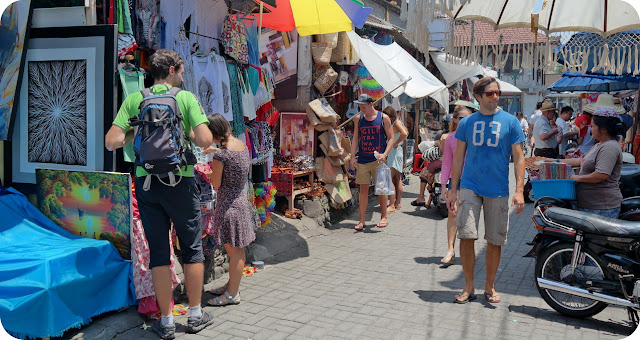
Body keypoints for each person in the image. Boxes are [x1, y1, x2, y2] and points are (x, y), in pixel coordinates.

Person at [105, 49, 214, 339]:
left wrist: (135, 132)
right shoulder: (185, 98)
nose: (181, 75)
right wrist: (188, 131)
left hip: (147, 183)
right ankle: (195, 315)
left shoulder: (135, 99)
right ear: (173, 70)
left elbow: (111, 142)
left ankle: (165, 321)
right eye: (180, 71)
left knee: (158, 253)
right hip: (181, 182)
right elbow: (205, 139)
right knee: (191, 249)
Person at [446, 76, 525, 304]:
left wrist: (519, 190)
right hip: (470, 186)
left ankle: (489, 285)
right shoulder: (467, 123)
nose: (495, 97)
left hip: (499, 189)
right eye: (490, 93)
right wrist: (453, 189)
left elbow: (519, 158)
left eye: (497, 92)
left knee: (495, 240)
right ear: (478, 97)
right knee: (466, 235)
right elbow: (458, 158)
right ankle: (468, 285)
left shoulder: (511, 122)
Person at [204, 114, 256, 306]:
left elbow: (216, 183)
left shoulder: (220, 155)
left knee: (234, 253)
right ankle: (231, 286)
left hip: (228, 207)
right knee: (238, 252)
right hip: (240, 204)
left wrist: (208, 172)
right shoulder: (241, 145)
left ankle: (232, 294)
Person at [556, 107, 624, 217]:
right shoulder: (599, 144)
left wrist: (578, 178)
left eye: (592, 127)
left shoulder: (609, 147)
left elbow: (601, 175)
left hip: (601, 207)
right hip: (589, 204)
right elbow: (580, 160)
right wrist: (556, 161)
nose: (590, 130)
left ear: (603, 130)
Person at [349, 94, 395, 230]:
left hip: (378, 160)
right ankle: (362, 220)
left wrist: (385, 154)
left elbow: (391, 138)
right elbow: (356, 138)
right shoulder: (359, 118)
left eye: (363, 106)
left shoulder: (383, 118)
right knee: (363, 190)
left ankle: (383, 216)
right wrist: (352, 157)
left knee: (381, 190)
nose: (361, 109)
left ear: (371, 104)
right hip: (363, 159)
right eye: (360, 106)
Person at [440, 106, 472, 265]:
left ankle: (466, 250)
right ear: (454, 119)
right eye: (460, 118)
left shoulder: (475, 138)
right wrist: (443, 185)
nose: (463, 121)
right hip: (456, 181)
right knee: (453, 213)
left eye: (467, 118)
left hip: (473, 182)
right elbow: (446, 163)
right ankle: (450, 249)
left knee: (467, 218)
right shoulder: (450, 138)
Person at [384, 106, 409, 213]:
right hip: (397, 152)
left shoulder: (395, 123)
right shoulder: (397, 122)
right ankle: (397, 203)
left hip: (394, 152)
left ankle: (392, 204)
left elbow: (404, 133)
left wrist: (396, 142)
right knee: (397, 178)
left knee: (390, 179)